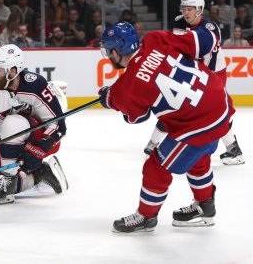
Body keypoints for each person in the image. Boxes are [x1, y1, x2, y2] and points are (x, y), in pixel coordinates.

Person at [98, 22, 235, 233]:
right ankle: (205, 205)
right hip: (221, 104)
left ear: (115, 51)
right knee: (198, 158)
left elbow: (136, 117)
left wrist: (109, 98)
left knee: (156, 167)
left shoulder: (125, 88)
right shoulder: (157, 40)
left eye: (108, 51)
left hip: (199, 124)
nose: (108, 55)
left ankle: (146, 216)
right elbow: (206, 40)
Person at [0, 44, 68, 205]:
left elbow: (59, 125)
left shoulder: (35, 85)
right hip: (10, 140)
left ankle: (9, 177)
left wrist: (40, 148)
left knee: (12, 122)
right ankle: (39, 174)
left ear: (13, 71)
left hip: (40, 139)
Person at [144, 0, 244, 165]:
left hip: (213, 74)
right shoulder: (179, 21)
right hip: (193, 71)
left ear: (199, 10)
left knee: (216, 111)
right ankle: (153, 143)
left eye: (190, 9)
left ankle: (234, 149)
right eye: (184, 9)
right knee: (174, 104)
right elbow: (179, 49)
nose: (186, 13)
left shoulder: (210, 28)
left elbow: (189, 50)